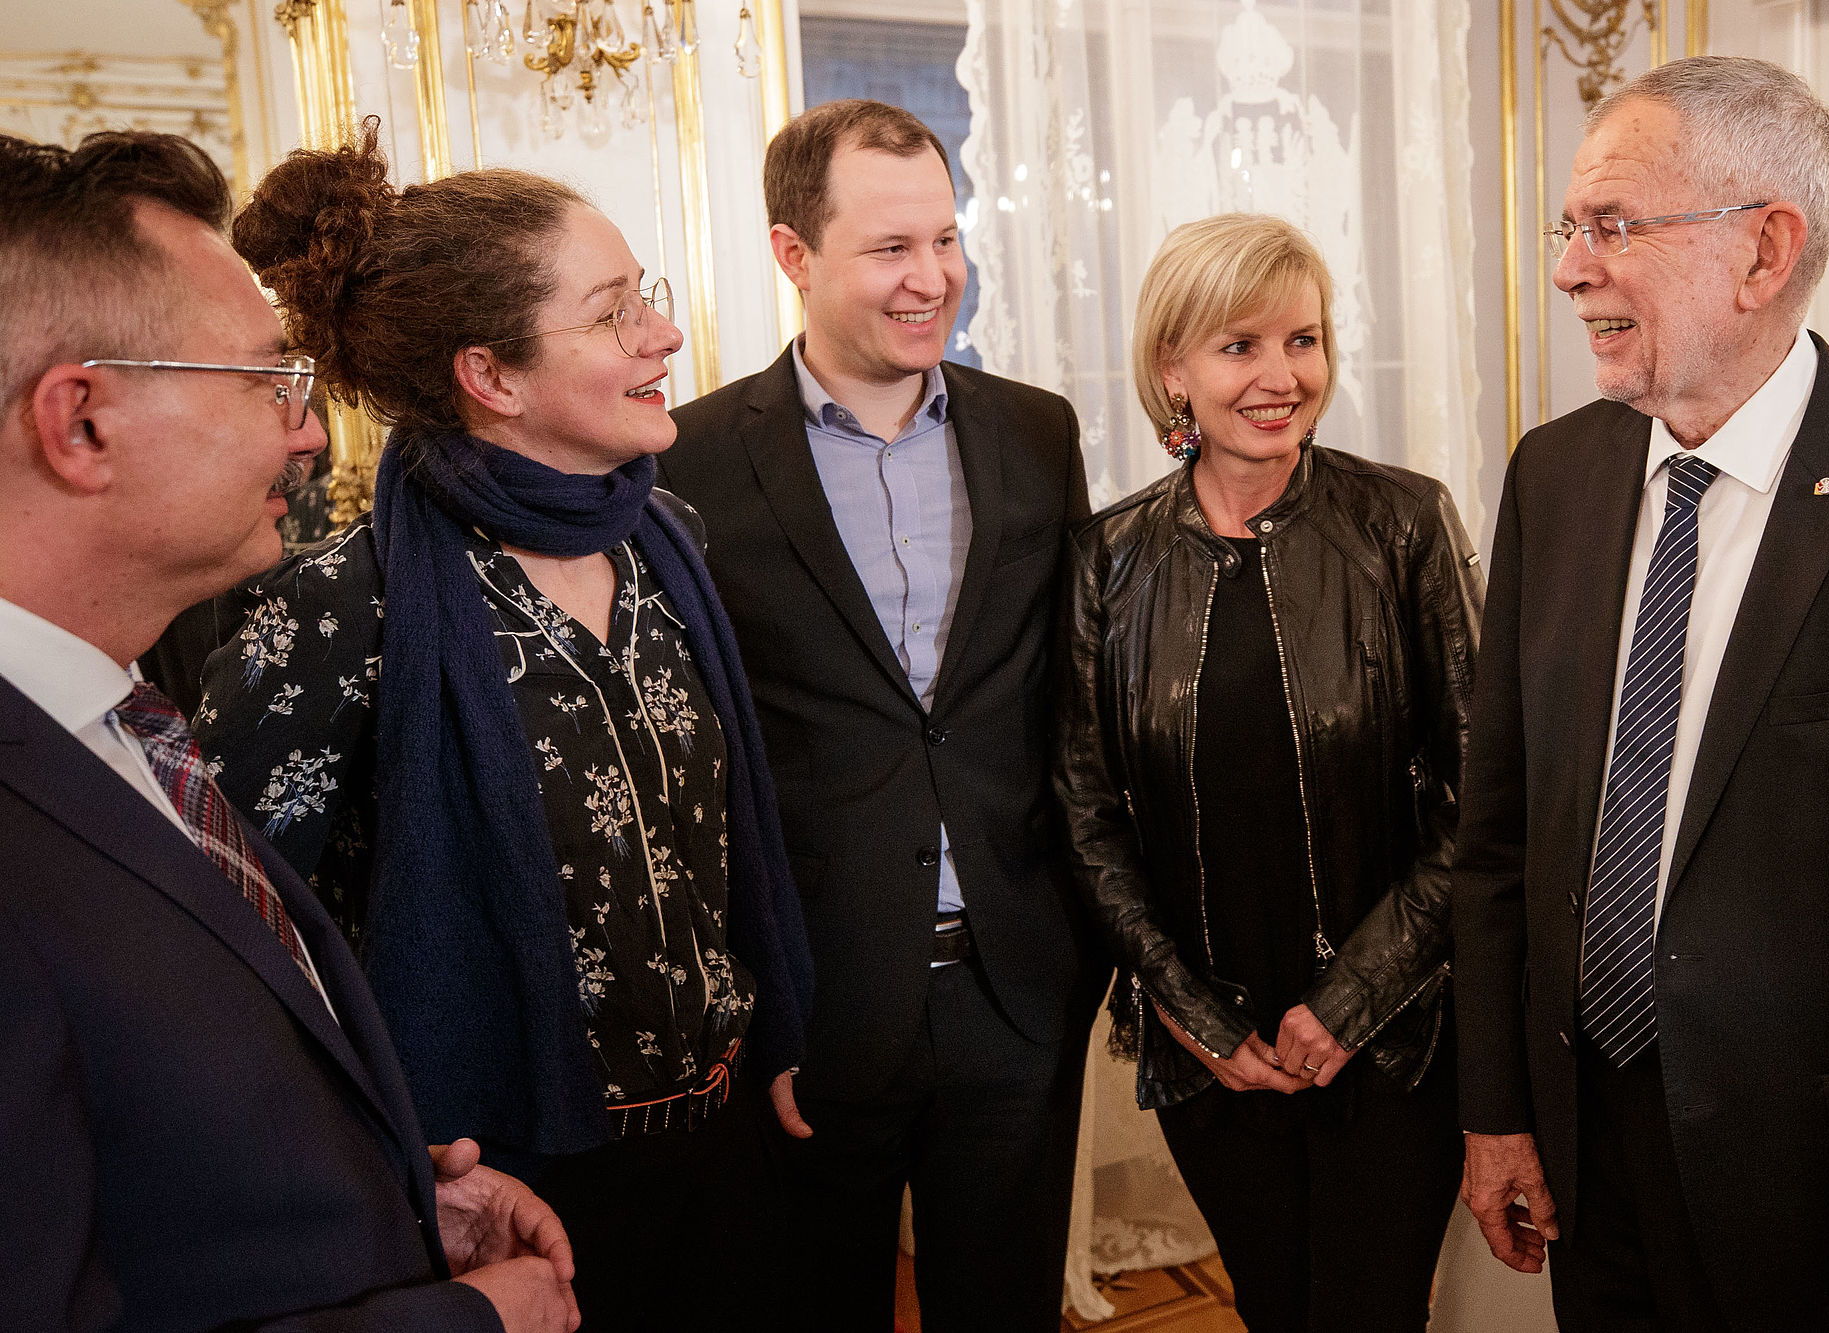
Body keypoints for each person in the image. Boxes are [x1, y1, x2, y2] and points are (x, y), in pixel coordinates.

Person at [192, 122, 813, 1331]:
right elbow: (233, 920)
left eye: (646, 296)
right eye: (612, 312)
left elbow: (722, 846)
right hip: (511, 1178)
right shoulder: (343, 602)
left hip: (727, 1130)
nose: (664, 335)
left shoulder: (666, 539)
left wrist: (775, 1022)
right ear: (493, 375)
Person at [1453, 56, 1829, 1333]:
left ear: (1763, 251)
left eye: (1611, 226)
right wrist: (1498, 1111)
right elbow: (1496, 841)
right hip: (1587, 1156)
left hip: (1822, 1195)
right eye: (1567, 228)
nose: (1568, 270)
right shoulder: (1552, 476)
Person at [0, 129, 577, 1332]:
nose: (308, 432)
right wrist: (465, 1322)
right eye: (266, 381)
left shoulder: (121, 721)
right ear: (81, 423)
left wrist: (400, 1206)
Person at [660, 98, 1102, 1330]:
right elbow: (689, 762)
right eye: (891, 248)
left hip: (1016, 991)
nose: (932, 278)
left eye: (945, 239)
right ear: (792, 254)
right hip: (811, 1005)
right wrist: (748, 1008)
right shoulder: (685, 460)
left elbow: (1070, 703)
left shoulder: (1036, 431)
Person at [1055, 213, 1483, 1332]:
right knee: (1274, 1306)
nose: (1282, 376)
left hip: (1393, 1038)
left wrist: (1348, 1004)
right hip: (1213, 1049)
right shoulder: (1107, 560)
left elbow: (1479, 799)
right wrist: (1192, 1013)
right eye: (1239, 345)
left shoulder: (1403, 525)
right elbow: (1086, 814)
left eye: (1303, 339)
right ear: (1173, 369)